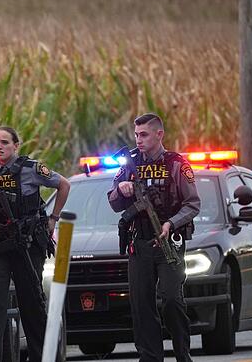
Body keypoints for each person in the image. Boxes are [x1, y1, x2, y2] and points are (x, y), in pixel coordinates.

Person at [0, 126, 71, 362]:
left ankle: (43, 356)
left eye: (5, 143)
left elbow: (64, 185)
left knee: (32, 304)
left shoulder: (32, 169)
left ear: (16, 146)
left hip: (27, 245)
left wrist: (53, 219)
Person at [107, 113, 200, 362]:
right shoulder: (129, 165)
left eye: (144, 134)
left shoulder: (177, 164)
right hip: (140, 242)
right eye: (136, 135)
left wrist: (171, 223)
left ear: (159, 134)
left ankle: (182, 353)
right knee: (141, 305)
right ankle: (150, 358)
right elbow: (114, 203)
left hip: (169, 242)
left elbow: (193, 204)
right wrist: (121, 189)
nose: (138, 140)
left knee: (171, 299)